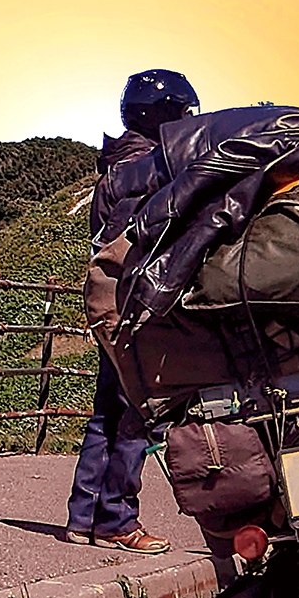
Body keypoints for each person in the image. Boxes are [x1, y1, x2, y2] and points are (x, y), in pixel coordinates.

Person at [65, 69, 201, 552]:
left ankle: (83, 517)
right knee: (136, 413)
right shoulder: (152, 168)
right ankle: (118, 522)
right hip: (138, 305)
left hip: (107, 302)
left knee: (107, 408)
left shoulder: (113, 167)